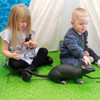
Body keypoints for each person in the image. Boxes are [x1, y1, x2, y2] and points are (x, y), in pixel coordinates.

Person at [0, 4, 53, 82]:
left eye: (26, 22)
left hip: (28, 53)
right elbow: (4, 50)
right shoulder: (7, 33)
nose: (24, 24)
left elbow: (35, 44)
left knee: (44, 50)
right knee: (16, 64)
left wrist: (32, 44)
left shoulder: (28, 29)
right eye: (21, 22)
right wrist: (12, 55)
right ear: (13, 20)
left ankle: (29, 69)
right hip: (17, 57)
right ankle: (40, 62)